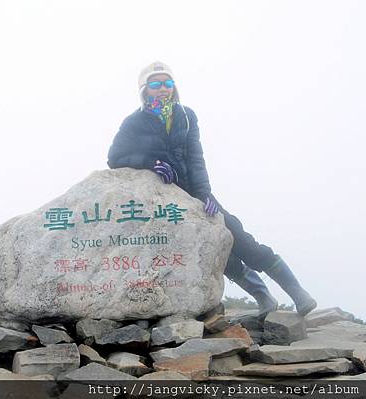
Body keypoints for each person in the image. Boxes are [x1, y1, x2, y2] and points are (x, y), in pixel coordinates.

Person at [107, 61, 317, 317]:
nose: (163, 89)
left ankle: (298, 294)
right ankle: (263, 297)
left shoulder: (186, 115)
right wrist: (151, 163)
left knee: (240, 239)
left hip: (196, 192)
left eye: (167, 83)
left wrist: (205, 193)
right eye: (155, 84)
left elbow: (196, 158)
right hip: (165, 199)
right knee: (214, 251)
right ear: (144, 89)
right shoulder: (134, 122)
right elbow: (115, 156)